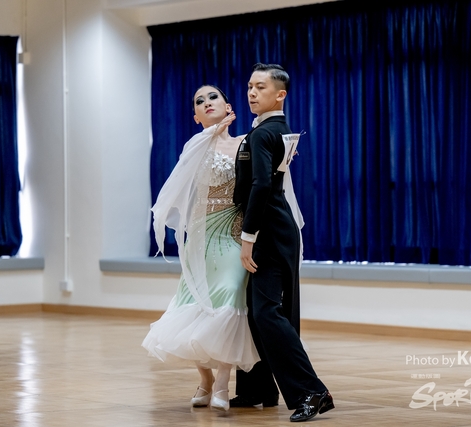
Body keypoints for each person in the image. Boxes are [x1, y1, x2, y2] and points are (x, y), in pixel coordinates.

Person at [142, 85, 260, 411]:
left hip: (233, 233)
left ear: (228, 106)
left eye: (213, 97)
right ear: (195, 116)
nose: (207, 102)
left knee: (231, 295)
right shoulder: (195, 145)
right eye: (199, 101)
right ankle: (205, 380)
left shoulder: (245, 143)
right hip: (202, 235)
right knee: (196, 302)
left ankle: (222, 380)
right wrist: (212, 133)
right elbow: (182, 181)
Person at [231, 63, 335, 422]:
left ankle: (312, 391)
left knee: (266, 312)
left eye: (260, 87)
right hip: (277, 227)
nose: (251, 92)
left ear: (280, 94)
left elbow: (261, 185)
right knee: (258, 312)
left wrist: (248, 238)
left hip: (270, 231)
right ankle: (259, 388)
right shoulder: (275, 129)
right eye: (250, 86)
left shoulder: (265, 133)